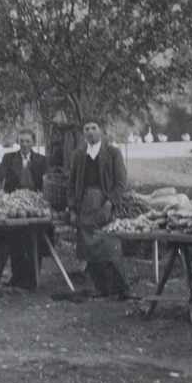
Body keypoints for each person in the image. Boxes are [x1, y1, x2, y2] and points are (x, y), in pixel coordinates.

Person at [67, 119, 132, 300]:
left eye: (94, 128)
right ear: (83, 133)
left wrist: (110, 203)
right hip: (85, 205)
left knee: (110, 245)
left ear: (101, 131)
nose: (90, 132)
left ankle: (122, 288)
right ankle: (102, 288)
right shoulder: (79, 155)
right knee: (90, 249)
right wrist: (72, 208)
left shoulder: (112, 153)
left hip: (105, 204)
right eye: (86, 129)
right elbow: (71, 185)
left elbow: (121, 183)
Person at [0, 129, 48, 290]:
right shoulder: (9, 158)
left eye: (28, 141)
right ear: (18, 142)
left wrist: (43, 195)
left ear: (33, 142)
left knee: (34, 241)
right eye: (22, 141)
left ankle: (33, 279)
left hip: (34, 204)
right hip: (15, 203)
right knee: (15, 241)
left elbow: (48, 181)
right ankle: (17, 277)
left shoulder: (41, 160)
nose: (25, 144)